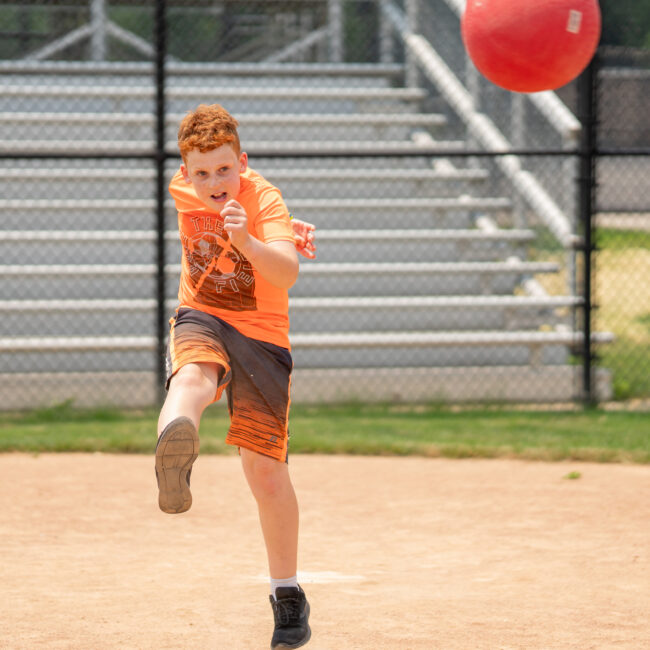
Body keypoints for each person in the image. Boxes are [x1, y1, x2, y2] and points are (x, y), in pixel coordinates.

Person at [154, 103, 313, 649]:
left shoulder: (262, 196)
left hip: (263, 334)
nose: (214, 182)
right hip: (202, 313)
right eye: (201, 172)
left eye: (225, 169)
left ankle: (287, 594)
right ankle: (174, 445)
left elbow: (288, 272)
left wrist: (254, 240)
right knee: (193, 375)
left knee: (263, 471)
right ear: (185, 172)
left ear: (241, 162)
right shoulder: (183, 186)